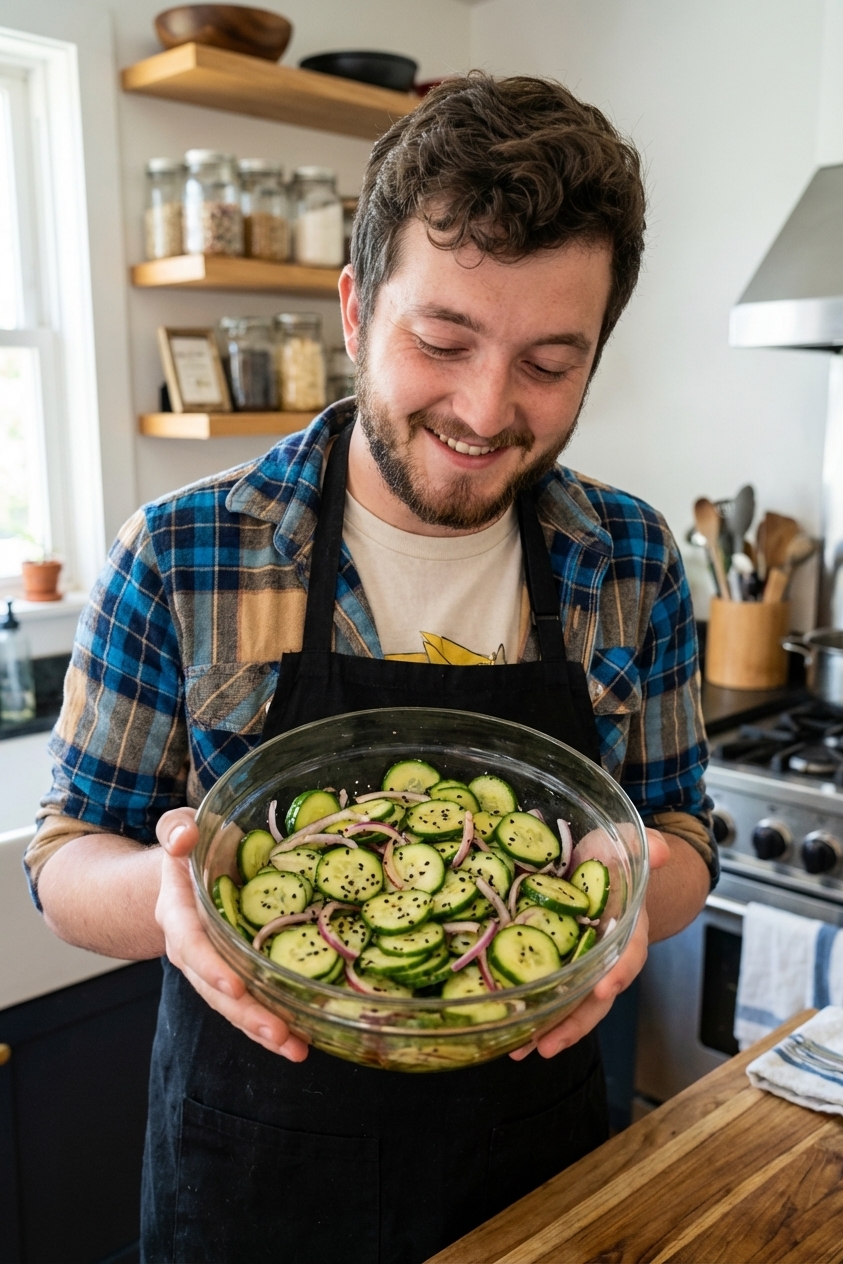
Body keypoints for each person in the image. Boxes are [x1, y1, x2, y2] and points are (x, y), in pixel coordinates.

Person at [27, 73, 716, 1264]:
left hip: (536, 1173)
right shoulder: (186, 552)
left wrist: (625, 896)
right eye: (442, 339)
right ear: (354, 311)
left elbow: (684, 838)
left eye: (552, 361)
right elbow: (61, 856)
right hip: (250, 1180)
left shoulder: (633, 558)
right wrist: (168, 900)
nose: (487, 408)